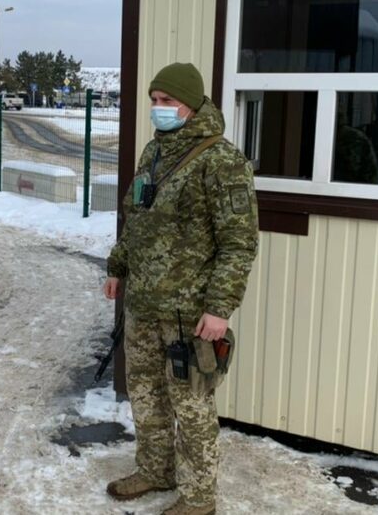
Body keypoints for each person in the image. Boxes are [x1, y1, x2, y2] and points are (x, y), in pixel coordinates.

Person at [102, 63, 258, 515]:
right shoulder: (154, 153)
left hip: (188, 315)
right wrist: (118, 266)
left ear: (191, 104)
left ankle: (198, 497)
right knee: (146, 395)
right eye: (153, 101)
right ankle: (155, 470)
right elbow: (138, 218)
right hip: (145, 306)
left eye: (167, 101)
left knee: (191, 408)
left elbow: (239, 242)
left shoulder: (222, 162)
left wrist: (220, 308)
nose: (158, 109)